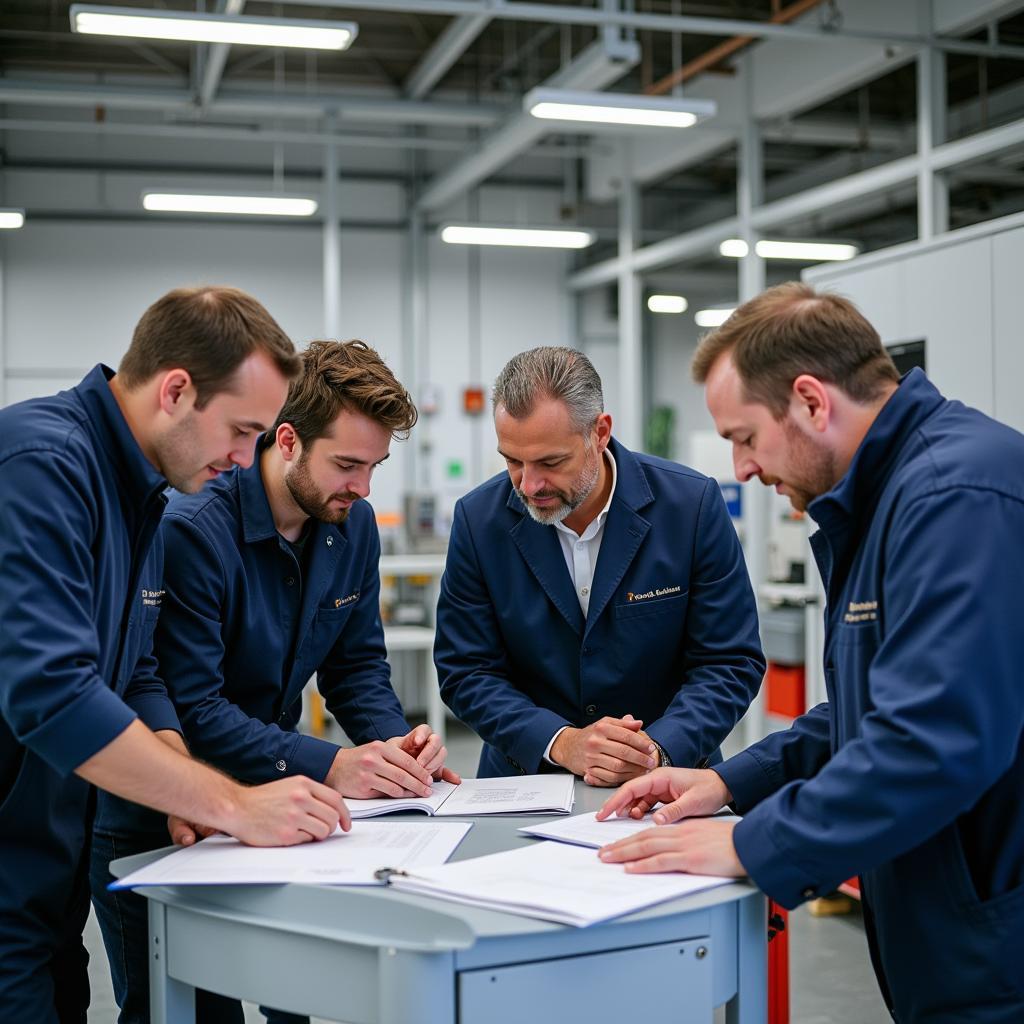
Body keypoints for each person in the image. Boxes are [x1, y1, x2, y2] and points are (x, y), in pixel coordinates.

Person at [598, 282, 1024, 1023]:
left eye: (744, 437)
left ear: (811, 402)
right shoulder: (889, 497)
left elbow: (933, 738)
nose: (741, 470)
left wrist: (753, 844)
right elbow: (868, 709)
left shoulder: (954, 497)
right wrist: (727, 785)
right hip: (960, 928)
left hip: (999, 942)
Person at [0, 286, 347, 1024]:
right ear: (177, 389)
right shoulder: (42, 465)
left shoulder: (149, 497)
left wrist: (179, 787)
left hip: (44, 882)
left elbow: (135, 671)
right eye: (242, 427)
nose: (248, 454)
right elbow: (53, 692)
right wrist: (233, 802)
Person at [92, 339, 459, 1024]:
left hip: (280, 804)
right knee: (191, 1010)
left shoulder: (349, 526)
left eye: (374, 466)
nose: (363, 488)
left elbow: (355, 667)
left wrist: (396, 747)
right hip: (161, 815)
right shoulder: (194, 529)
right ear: (286, 440)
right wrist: (335, 764)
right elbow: (193, 709)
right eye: (347, 465)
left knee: (298, 996)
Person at [434, 346, 764, 782]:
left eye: (551, 462)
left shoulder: (691, 507)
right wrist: (560, 741)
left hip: (672, 777)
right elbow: (467, 671)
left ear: (600, 432)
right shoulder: (479, 521)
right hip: (528, 780)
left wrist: (656, 749)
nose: (530, 484)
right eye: (513, 461)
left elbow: (729, 661)